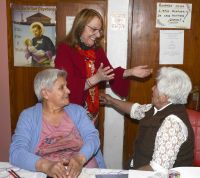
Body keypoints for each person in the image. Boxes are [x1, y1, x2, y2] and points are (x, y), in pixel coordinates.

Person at [55, 8, 152, 125]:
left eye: (99, 30)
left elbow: (108, 73)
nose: (97, 35)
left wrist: (131, 72)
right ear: (80, 26)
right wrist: (97, 78)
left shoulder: (96, 50)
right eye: (94, 29)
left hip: (92, 113)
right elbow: (64, 85)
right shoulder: (65, 49)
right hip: (70, 113)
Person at [9, 69, 105, 178]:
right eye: (61, 87)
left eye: (66, 86)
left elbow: (93, 138)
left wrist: (80, 158)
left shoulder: (77, 112)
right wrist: (46, 166)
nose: (68, 91)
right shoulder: (28, 117)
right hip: (48, 173)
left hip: (84, 169)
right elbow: (16, 152)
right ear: (45, 93)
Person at [100, 67, 194, 173]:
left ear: (164, 97)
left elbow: (157, 170)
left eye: (156, 86)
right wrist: (111, 101)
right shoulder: (158, 108)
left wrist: (126, 176)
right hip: (139, 169)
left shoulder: (172, 124)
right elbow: (135, 110)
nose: (152, 88)